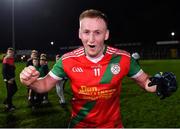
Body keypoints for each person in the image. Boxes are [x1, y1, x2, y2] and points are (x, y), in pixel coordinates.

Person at [20, 9, 177, 128]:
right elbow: (44, 85)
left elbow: (145, 82)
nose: (91, 39)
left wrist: (160, 84)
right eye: (86, 32)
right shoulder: (67, 60)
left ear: (106, 34)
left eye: (97, 32)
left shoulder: (123, 58)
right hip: (79, 125)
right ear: (79, 33)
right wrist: (30, 81)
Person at [2, 47, 18, 112]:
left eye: (12, 52)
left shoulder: (12, 59)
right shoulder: (6, 59)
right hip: (8, 79)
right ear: (7, 53)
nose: (11, 53)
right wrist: (7, 79)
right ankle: (9, 106)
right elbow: (4, 71)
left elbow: (12, 68)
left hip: (12, 78)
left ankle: (7, 102)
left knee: (14, 89)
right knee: (10, 92)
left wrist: (13, 76)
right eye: (9, 52)